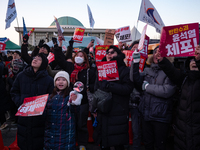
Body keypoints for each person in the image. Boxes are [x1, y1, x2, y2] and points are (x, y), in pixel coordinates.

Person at [54, 36, 96, 150]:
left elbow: (95, 84)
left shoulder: (89, 70)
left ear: (85, 59)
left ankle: (82, 144)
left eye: (81, 56)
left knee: (82, 124)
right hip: (70, 100)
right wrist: (59, 44)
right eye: (77, 55)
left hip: (84, 102)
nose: (79, 57)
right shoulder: (70, 67)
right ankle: (71, 142)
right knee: (70, 123)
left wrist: (88, 87)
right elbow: (59, 59)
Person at [131, 46, 176, 150]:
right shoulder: (147, 70)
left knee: (160, 145)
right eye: (155, 52)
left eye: (160, 52)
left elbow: (167, 91)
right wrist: (135, 62)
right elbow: (135, 80)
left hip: (161, 117)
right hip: (146, 115)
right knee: (148, 144)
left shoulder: (170, 71)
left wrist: (147, 87)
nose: (157, 54)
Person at [155, 45, 200, 150]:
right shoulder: (185, 79)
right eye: (191, 59)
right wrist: (162, 60)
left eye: (196, 59)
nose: (193, 62)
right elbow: (172, 72)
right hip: (182, 133)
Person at [92, 45, 133, 150]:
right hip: (103, 109)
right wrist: (95, 107)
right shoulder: (100, 69)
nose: (109, 54)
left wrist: (110, 85)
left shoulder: (125, 70)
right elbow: (96, 89)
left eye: (112, 52)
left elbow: (127, 89)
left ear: (118, 55)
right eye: (107, 52)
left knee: (118, 141)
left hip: (118, 110)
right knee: (104, 140)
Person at [10, 53, 54, 150]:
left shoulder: (49, 80)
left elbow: (51, 97)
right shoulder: (21, 76)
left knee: (38, 143)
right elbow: (14, 92)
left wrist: (43, 107)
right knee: (24, 142)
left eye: (39, 59)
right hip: (24, 117)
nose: (35, 60)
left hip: (40, 118)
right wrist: (20, 103)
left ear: (43, 64)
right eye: (34, 58)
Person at [44, 71, 82, 150]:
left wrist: (74, 102)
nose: (60, 82)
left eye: (64, 80)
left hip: (66, 135)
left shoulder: (70, 96)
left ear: (67, 82)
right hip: (51, 134)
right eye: (58, 80)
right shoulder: (49, 97)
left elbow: (75, 111)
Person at [129, 40, 142, 150]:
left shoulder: (146, 67)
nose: (136, 50)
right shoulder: (125, 62)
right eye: (134, 48)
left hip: (138, 101)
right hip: (127, 99)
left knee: (136, 129)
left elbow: (136, 80)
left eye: (139, 49)